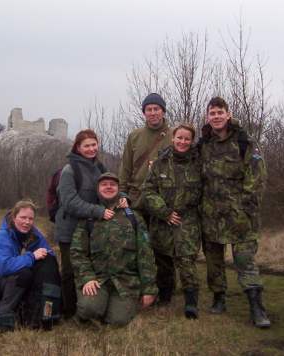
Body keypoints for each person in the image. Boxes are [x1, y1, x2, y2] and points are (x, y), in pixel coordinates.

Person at [198, 97, 271, 328]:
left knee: (244, 260)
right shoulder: (203, 144)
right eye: (212, 113)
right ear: (207, 117)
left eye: (220, 112)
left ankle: (256, 307)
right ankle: (219, 298)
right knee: (213, 262)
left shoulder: (244, 142)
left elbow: (257, 178)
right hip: (211, 216)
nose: (216, 116)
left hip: (240, 216)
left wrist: (247, 208)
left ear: (228, 114)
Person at [70, 172, 157, 326]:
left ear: (119, 189)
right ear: (98, 189)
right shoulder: (89, 217)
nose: (108, 187)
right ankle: (94, 306)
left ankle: (113, 308)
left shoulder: (133, 217)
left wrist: (149, 289)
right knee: (89, 309)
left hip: (126, 282)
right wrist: (87, 278)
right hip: (98, 279)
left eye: (112, 184)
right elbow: (77, 252)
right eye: (104, 184)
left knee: (118, 320)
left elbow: (145, 254)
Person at [136, 123, 202, 319]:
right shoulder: (159, 163)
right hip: (162, 220)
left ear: (191, 141)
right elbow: (148, 191)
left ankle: (191, 301)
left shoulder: (198, 164)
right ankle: (165, 295)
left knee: (186, 261)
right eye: (179, 138)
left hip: (187, 221)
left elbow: (206, 191)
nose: (182, 142)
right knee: (163, 260)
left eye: (187, 139)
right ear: (173, 138)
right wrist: (164, 212)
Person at [118, 92, 173, 304]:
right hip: (136, 198)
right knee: (139, 245)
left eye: (156, 109)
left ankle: (165, 291)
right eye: (149, 109)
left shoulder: (173, 135)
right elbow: (125, 167)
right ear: (144, 113)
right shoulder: (134, 136)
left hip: (162, 199)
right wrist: (122, 193)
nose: (153, 113)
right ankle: (140, 288)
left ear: (163, 111)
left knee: (162, 247)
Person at [54, 129, 110, 318]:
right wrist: (98, 211)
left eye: (94, 144)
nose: (91, 149)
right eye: (87, 146)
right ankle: (68, 311)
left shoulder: (100, 168)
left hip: (91, 230)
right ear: (78, 148)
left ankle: (87, 306)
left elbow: (110, 188)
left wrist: (123, 198)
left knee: (90, 267)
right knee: (70, 271)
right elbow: (69, 202)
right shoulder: (69, 171)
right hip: (69, 229)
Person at [0, 200, 60, 332]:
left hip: (19, 280)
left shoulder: (33, 234)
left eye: (30, 219)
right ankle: (4, 313)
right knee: (23, 273)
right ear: (14, 217)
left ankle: (45, 313)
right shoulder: (1, 237)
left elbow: (48, 252)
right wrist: (31, 257)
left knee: (47, 262)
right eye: (23, 217)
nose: (27, 222)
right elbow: (4, 267)